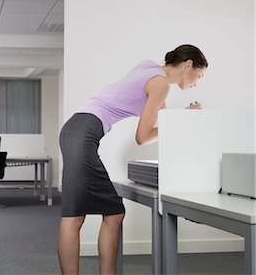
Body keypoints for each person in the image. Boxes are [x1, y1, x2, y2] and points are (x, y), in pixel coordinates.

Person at [58, 44, 208, 275]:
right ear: (188, 65)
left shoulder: (149, 68)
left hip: (75, 129)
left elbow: (162, 116)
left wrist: (181, 118)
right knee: (77, 215)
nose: (197, 82)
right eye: (199, 75)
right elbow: (143, 137)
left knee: (97, 213)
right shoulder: (160, 84)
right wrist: (184, 118)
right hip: (84, 133)